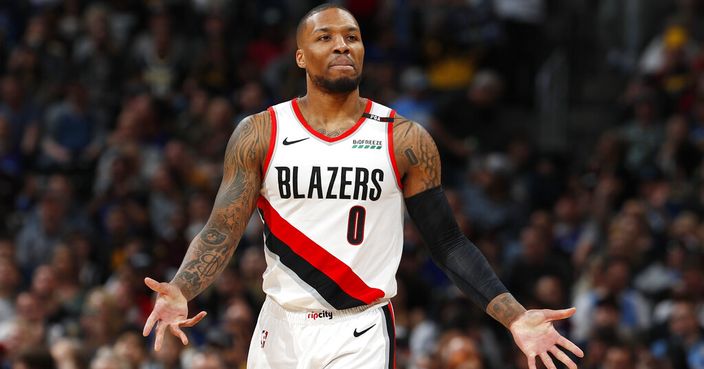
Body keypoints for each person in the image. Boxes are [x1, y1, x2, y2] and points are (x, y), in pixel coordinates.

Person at [142, 4, 584, 369]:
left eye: (352, 37)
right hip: (279, 324)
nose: (342, 45)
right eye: (325, 37)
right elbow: (222, 228)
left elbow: (447, 243)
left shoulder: (404, 137)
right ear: (300, 57)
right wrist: (182, 287)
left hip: (360, 329)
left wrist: (515, 316)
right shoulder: (262, 132)